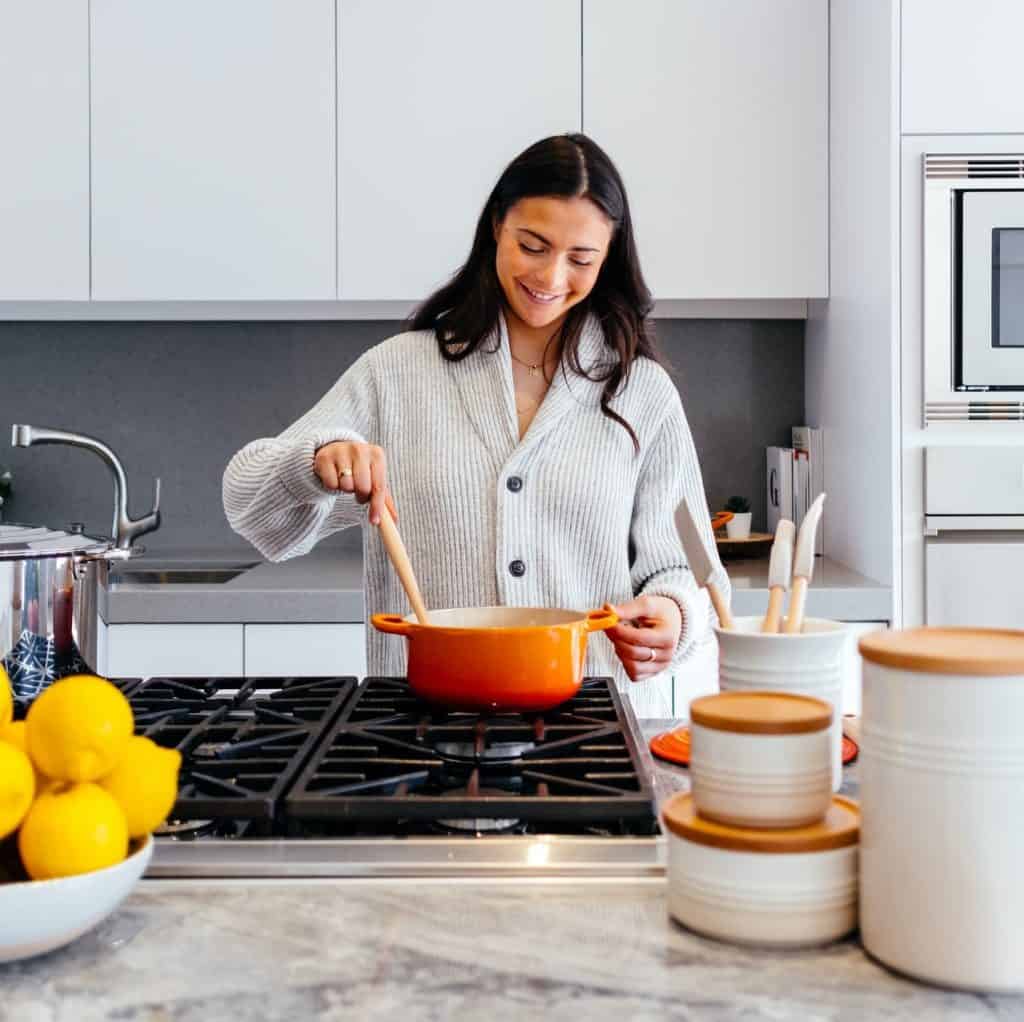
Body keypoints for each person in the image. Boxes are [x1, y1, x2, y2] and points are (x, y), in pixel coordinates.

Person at [222, 133, 728, 717]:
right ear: (496, 226)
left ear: (609, 257)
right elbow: (250, 509)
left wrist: (671, 614)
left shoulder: (641, 391)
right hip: (419, 733)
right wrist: (315, 462)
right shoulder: (399, 372)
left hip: (588, 734)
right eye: (532, 245)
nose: (552, 276)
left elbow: (686, 568)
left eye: (581, 258)